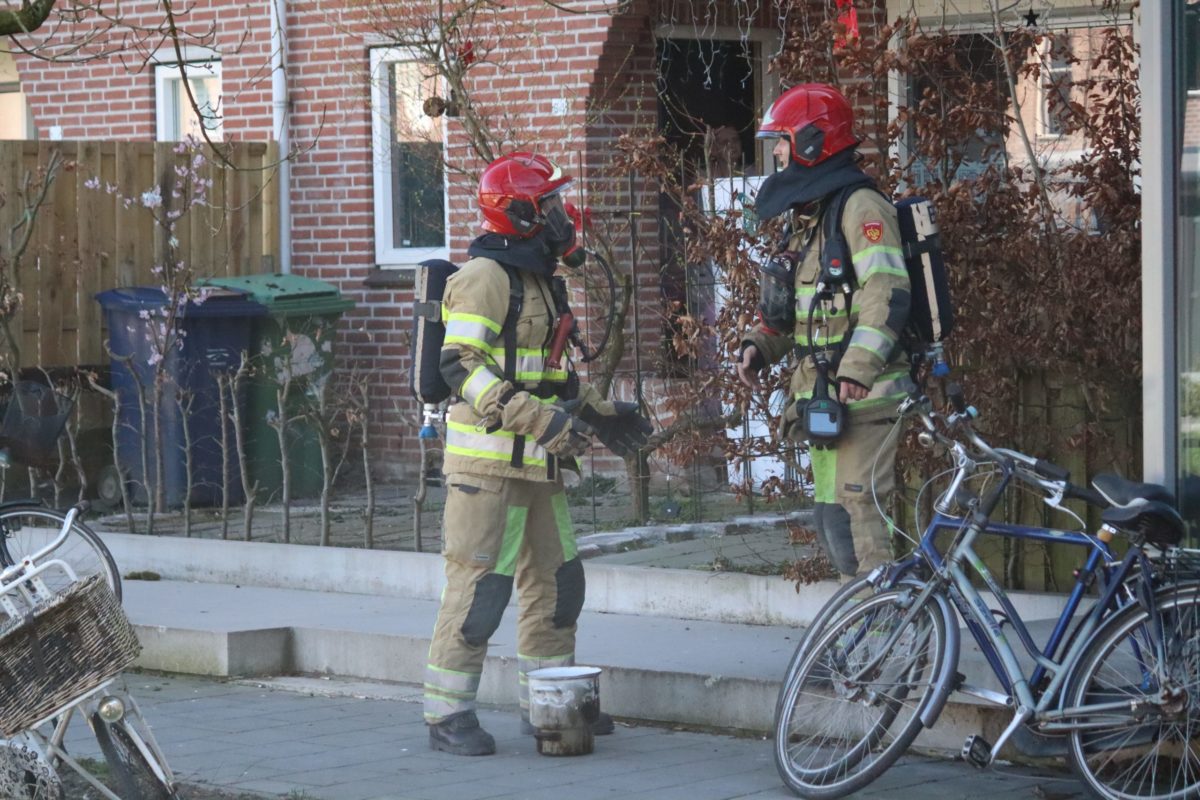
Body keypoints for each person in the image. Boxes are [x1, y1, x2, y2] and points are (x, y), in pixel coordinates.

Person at [423, 152, 652, 756]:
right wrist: (539, 421)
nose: (559, 214)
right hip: (488, 468)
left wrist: (601, 413)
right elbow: (460, 368)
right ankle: (447, 715)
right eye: (548, 203)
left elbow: (548, 373)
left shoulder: (537, 279)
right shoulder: (484, 277)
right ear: (521, 211)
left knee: (558, 583)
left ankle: (550, 703)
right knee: (479, 593)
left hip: (537, 464)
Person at [736, 83, 913, 580]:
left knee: (862, 524)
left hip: (865, 396)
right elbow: (807, 310)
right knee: (836, 523)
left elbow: (887, 291)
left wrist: (859, 366)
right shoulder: (815, 215)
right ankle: (859, 640)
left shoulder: (861, 208)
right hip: (826, 399)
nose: (776, 153)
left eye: (782, 141)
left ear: (813, 143)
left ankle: (889, 645)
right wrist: (759, 345)